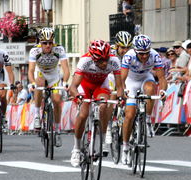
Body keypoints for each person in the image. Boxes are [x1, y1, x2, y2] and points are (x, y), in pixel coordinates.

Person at [68, 40, 124, 166]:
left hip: (101, 85)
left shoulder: (114, 61)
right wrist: (78, 96)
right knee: (83, 114)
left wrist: (120, 98)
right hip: (84, 86)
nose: (104, 63)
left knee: (103, 105)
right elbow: (73, 86)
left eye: (106, 59)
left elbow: (119, 86)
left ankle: (103, 141)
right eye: (100, 61)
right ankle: (76, 148)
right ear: (93, 58)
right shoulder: (85, 61)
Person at [120, 34, 167, 165]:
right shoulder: (128, 56)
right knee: (129, 115)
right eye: (141, 54)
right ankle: (125, 147)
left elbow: (162, 78)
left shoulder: (154, 55)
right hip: (131, 81)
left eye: (146, 53)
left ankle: (147, 120)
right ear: (135, 51)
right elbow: (122, 78)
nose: (145, 56)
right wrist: (124, 90)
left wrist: (163, 90)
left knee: (151, 88)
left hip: (146, 78)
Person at [27, 27, 71, 146]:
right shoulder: (34, 51)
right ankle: (37, 115)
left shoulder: (59, 49)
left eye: (50, 43)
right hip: (41, 73)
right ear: (40, 42)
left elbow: (66, 69)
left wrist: (65, 81)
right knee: (39, 83)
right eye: (45, 43)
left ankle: (57, 130)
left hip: (54, 76)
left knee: (57, 100)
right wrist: (32, 83)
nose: (47, 46)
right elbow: (31, 70)